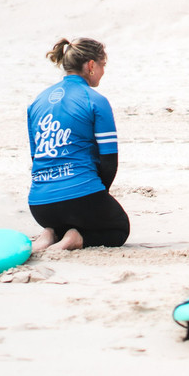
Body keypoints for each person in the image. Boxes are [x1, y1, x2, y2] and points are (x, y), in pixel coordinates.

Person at [27, 38, 130, 253]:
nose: (103, 72)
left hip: (40, 206)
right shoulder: (95, 100)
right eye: (103, 66)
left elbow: (36, 158)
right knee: (119, 228)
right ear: (91, 65)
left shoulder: (37, 102)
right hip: (81, 198)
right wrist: (96, 199)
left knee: (71, 212)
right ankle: (74, 238)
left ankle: (50, 233)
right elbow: (109, 161)